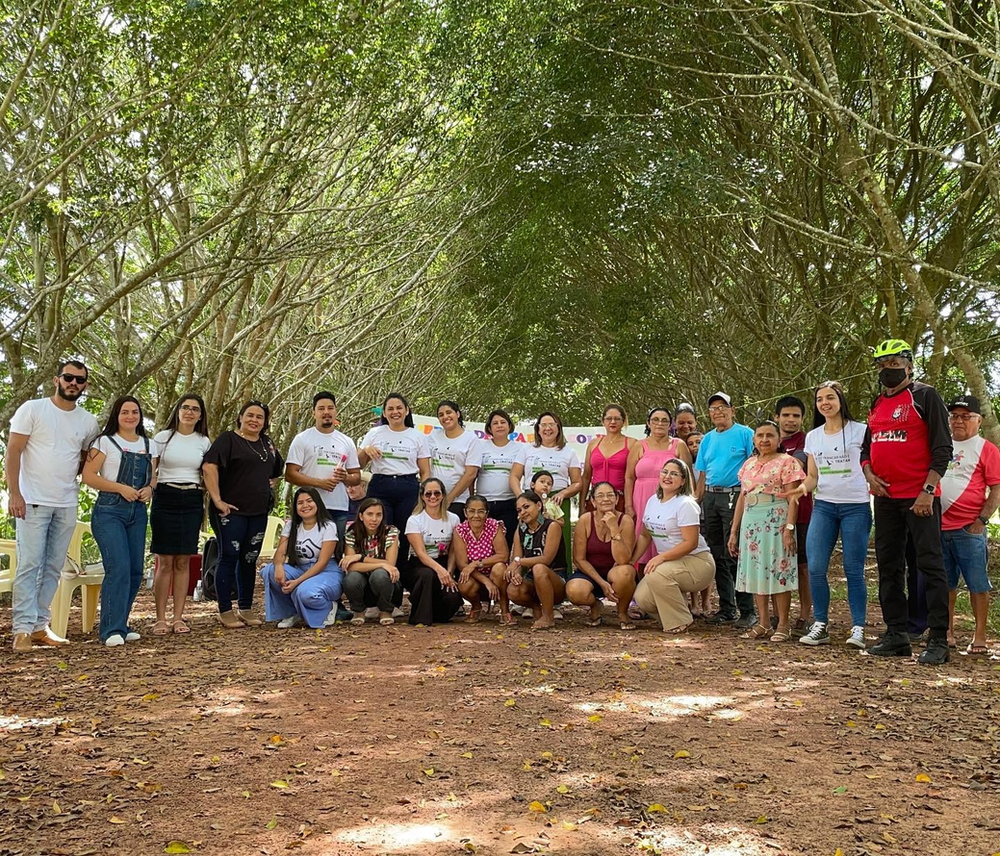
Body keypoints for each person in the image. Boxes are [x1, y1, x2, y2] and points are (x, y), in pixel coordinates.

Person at [861, 339, 953, 665]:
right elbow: (866, 450)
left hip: (920, 498)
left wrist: (928, 491)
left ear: (909, 364)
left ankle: (939, 638)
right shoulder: (876, 403)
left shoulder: (925, 396)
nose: (888, 369)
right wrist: (869, 475)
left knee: (930, 566)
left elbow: (943, 449)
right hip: (885, 498)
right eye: (882, 364)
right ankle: (896, 633)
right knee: (888, 566)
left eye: (895, 362)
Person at [5, 360, 99, 652]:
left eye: (80, 380)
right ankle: (21, 629)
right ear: (57, 380)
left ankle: (39, 627)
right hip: (32, 499)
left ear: (84, 385)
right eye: (69, 378)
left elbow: (84, 460)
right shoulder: (32, 409)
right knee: (29, 564)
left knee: (53, 567)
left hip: (66, 502)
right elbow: (14, 451)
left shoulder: (88, 421)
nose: (74, 383)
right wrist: (15, 494)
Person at [784, 382, 872, 649]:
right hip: (824, 507)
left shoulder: (861, 431)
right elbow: (812, 477)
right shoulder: (813, 436)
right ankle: (820, 623)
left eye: (830, 398)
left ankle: (858, 628)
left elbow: (870, 465)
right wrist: (801, 489)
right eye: (820, 399)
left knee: (853, 568)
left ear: (841, 400)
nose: (825, 403)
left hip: (855, 506)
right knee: (816, 567)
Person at [202, 400, 284, 629]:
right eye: (250, 415)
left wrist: (270, 484)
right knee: (229, 556)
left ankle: (245, 607)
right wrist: (217, 499)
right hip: (230, 510)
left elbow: (276, 470)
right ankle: (225, 609)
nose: (254, 420)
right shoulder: (228, 439)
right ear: (240, 417)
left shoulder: (267, 443)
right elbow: (209, 466)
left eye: (260, 417)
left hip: (258, 511)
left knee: (249, 559)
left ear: (265, 422)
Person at [82, 396, 154, 647]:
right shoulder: (104, 441)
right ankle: (110, 629)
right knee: (119, 566)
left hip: (137, 512)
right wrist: (120, 488)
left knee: (135, 570)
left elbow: (153, 477)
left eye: (135, 412)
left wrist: (150, 489)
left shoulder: (149, 443)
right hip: (109, 510)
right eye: (125, 412)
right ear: (117, 415)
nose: (130, 416)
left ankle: (122, 623)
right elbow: (89, 476)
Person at [727, 421, 804, 641]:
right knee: (756, 571)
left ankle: (783, 623)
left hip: (776, 519)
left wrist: (789, 528)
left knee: (779, 570)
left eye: (770, 435)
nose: (764, 440)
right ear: (754, 439)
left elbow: (793, 498)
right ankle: (763, 622)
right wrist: (734, 531)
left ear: (779, 439)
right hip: (752, 521)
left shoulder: (787, 462)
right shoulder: (749, 464)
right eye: (760, 435)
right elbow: (742, 497)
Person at [940, 395, 1000, 655]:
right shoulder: (939, 445)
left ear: (979, 420)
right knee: (945, 584)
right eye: (954, 416)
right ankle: (947, 631)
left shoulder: (986, 449)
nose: (959, 421)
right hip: (937, 527)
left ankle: (980, 635)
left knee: (977, 584)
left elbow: (996, 489)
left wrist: (981, 521)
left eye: (966, 416)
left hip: (968, 529)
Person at [149, 393, 211, 636]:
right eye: (185, 407)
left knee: (184, 560)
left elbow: (211, 473)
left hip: (193, 499)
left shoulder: (204, 442)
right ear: (177, 410)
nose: (189, 412)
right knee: (165, 562)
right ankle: (160, 618)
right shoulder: (162, 438)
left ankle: (178, 618)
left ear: (200, 415)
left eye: (195, 409)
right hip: (165, 497)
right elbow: (151, 471)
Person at [632, 459, 716, 634]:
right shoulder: (653, 500)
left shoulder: (685, 504)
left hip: (697, 563)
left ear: (684, 480)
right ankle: (677, 614)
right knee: (642, 598)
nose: (667, 476)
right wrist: (631, 561)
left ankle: (680, 622)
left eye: (674, 474)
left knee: (656, 573)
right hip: (671, 565)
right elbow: (645, 535)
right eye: (665, 472)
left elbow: (690, 542)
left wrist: (661, 557)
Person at [694, 392, 756, 628]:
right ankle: (727, 608)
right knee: (717, 554)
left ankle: (748, 610)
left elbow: (755, 465)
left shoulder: (745, 434)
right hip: (711, 496)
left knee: (735, 553)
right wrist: (696, 501)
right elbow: (702, 474)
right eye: (713, 409)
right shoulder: (708, 439)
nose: (718, 412)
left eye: (723, 407)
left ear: (733, 409)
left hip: (735, 496)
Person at [358, 392, 430, 562]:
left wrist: (424, 495)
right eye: (390, 409)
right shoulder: (375, 433)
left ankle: (401, 575)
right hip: (380, 485)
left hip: (409, 486)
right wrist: (366, 449)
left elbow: (425, 471)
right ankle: (380, 572)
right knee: (380, 530)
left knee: (406, 532)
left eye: (399, 408)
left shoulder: (417, 436)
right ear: (384, 413)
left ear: (407, 411)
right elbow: (359, 463)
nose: (395, 412)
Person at [284, 391, 361, 544]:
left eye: (330, 408)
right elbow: (290, 474)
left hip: (338, 507)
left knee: (336, 552)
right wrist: (319, 483)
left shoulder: (346, 441)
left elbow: (356, 477)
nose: (326, 412)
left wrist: (344, 477)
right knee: (306, 550)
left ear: (336, 411)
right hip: (309, 506)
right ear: (314, 413)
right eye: (321, 408)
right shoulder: (302, 439)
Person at [261, 487, 343, 628]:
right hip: (300, 568)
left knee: (305, 592)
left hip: (326, 571)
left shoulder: (328, 526)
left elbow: (322, 562)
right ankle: (291, 613)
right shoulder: (291, 526)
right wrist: (279, 566)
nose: (305, 506)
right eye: (300, 503)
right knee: (269, 571)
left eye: (309, 501)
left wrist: (297, 581)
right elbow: (280, 553)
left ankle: (328, 607)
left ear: (317, 503)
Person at [627, 407, 693, 568]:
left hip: (671, 501)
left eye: (664, 420)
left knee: (667, 537)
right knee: (642, 540)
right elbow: (629, 477)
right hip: (642, 499)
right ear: (648, 423)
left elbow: (688, 476)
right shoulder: (638, 445)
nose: (659, 423)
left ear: (670, 424)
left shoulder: (679, 445)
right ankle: (642, 584)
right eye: (655, 419)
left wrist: (690, 502)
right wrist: (629, 505)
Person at [566, 481, 637, 629]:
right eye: (600, 496)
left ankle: (622, 612)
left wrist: (613, 528)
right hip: (590, 573)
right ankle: (595, 605)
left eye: (610, 495)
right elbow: (579, 559)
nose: (606, 499)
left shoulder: (626, 521)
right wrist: (602, 583)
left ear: (617, 499)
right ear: (593, 501)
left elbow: (623, 559)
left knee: (626, 572)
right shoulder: (585, 520)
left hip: (615, 572)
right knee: (574, 590)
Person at [511, 412, 582, 558]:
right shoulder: (527, 449)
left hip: (558, 502)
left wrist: (563, 494)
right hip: (531, 501)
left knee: (559, 541)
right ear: (537, 429)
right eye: (543, 425)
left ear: (558, 428)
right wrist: (522, 498)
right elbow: (514, 476)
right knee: (528, 538)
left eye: (552, 424)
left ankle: (562, 576)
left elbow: (577, 483)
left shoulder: (569, 452)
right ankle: (524, 573)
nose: (547, 428)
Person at [496, 490, 567, 630]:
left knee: (539, 568)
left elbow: (546, 559)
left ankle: (548, 616)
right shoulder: (520, 530)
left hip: (556, 579)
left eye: (526, 507)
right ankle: (536, 608)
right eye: (519, 510)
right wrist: (516, 573)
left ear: (539, 505)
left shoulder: (552, 526)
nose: (522, 512)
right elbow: (517, 557)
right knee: (513, 590)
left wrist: (518, 562)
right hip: (533, 578)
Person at [774, 395, 813, 631]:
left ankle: (805, 613)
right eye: (786, 415)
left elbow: (796, 466)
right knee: (775, 563)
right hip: (770, 515)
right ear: (776, 416)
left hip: (802, 510)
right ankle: (778, 615)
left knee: (803, 565)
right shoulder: (766, 438)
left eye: (796, 416)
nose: (791, 420)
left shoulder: (806, 442)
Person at [402, 477, 463, 625]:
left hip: (444, 562)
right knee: (427, 575)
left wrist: (448, 572)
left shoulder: (453, 519)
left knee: (452, 599)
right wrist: (440, 571)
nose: (433, 497)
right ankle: (420, 618)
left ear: (443, 495)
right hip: (419, 565)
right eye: (428, 494)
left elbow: (454, 551)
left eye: (437, 493)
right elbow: (421, 553)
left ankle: (434, 613)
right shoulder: (414, 520)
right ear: (422, 497)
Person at [341, 498, 402, 626]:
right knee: (351, 578)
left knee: (380, 574)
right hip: (363, 585)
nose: (374, 519)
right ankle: (358, 611)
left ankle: (386, 610)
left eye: (378, 515)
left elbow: (390, 564)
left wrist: (361, 557)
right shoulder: (352, 534)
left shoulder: (390, 532)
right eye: (370, 514)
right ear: (361, 516)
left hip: (386, 584)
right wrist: (381, 563)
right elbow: (351, 567)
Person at [453, 495, 509, 622]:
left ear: (487, 513)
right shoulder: (460, 530)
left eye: (481, 511)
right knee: (464, 583)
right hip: (476, 577)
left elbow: (503, 555)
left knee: (500, 568)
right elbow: (462, 564)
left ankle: (505, 610)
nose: (476, 515)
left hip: (496, 574)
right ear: (465, 513)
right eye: (471, 511)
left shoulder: (494, 526)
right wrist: (486, 581)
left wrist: (476, 564)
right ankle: (476, 607)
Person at [476, 409, 527, 547]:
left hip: (509, 503)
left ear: (509, 426)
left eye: (503, 422)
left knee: (508, 543)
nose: (499, 426)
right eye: (495, 423)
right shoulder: (479, 446)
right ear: (489, 428)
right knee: (484, 544)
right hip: (484, 503)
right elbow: (472, 473)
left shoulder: (521, 448)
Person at [429, 400, 481, 519]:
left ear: (457, 414)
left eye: (449, 412)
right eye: (441, 415)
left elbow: (471, 474)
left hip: (458, 500)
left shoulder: (471, 439)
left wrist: (449, 499)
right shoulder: (433, 436)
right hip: (433, 499)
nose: (445, 417)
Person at [580, 404, 636, 511]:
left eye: (617, 419)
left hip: (620, 500)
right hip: (596, 500)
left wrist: (629, 506)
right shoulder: (593, 444)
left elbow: (632, 477)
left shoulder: (632, 444)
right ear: (603, 421)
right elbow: (586, 476)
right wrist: (582, 505)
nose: (613, 422)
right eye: (609, 418)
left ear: (623, 422)